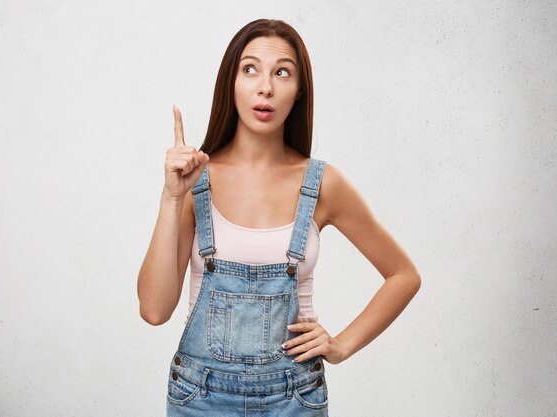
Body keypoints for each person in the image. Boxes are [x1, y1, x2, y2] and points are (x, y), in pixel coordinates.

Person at [137, 18, 421, 416]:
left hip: (294, 399)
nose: (265, 86)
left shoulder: (322, 184)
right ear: (230, 82)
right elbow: (154, 310)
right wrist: (171, 197)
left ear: (299, 89)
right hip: (200, 400)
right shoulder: (196, 181)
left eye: (281, 72)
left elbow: (403, 275)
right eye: (250, 69)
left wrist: (340, 346)